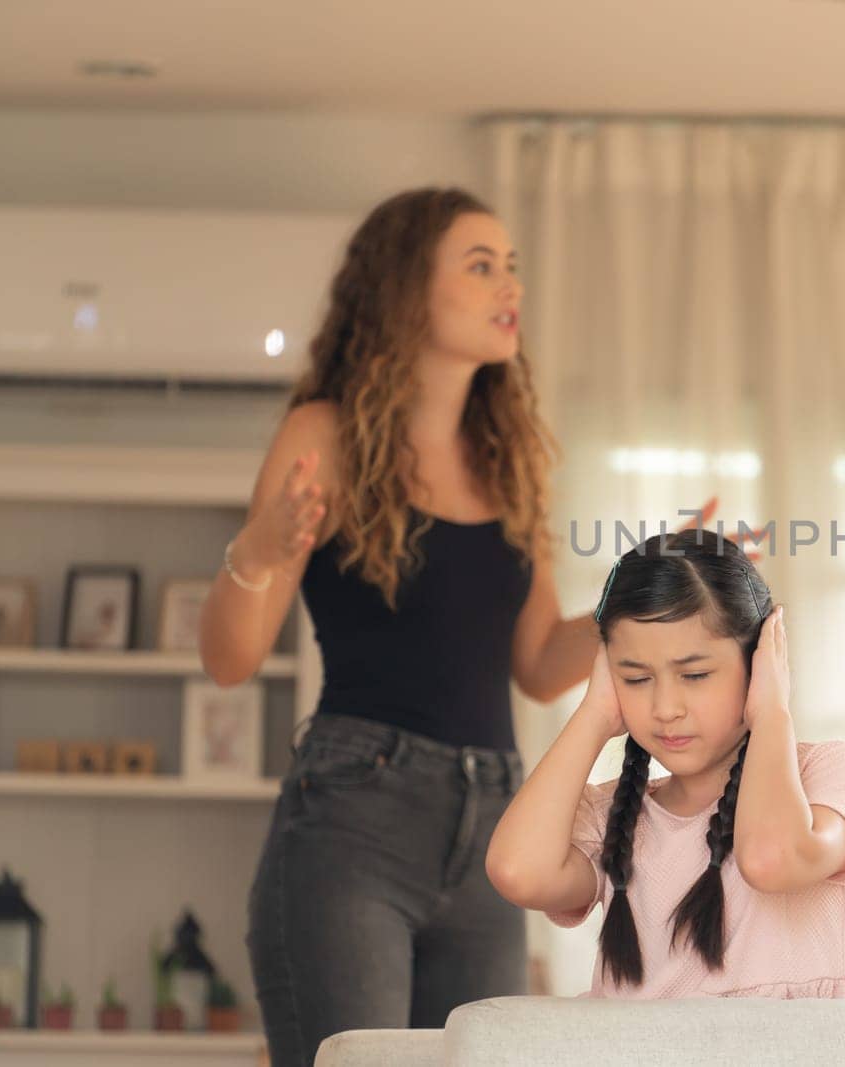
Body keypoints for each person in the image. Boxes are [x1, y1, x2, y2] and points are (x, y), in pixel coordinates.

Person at [198, 187, 599, 1066]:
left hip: (497, 826)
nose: (510, 287)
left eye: (515, 268)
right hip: (355, 823)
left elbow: (535, 662)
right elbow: (228, 658)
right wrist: (259, 550)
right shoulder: (325, 435)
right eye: (481, 265)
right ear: (407, 289)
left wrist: (641, 598)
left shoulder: (511, 463)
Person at [486, 530, 845, 999]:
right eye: (635, 677)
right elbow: (518, 872)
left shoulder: (829, 773)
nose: (665, 707)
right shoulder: (614, 813)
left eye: (694, 675)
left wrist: (772, 711)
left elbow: (771, 859)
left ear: (760, 661)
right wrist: (593, 716)